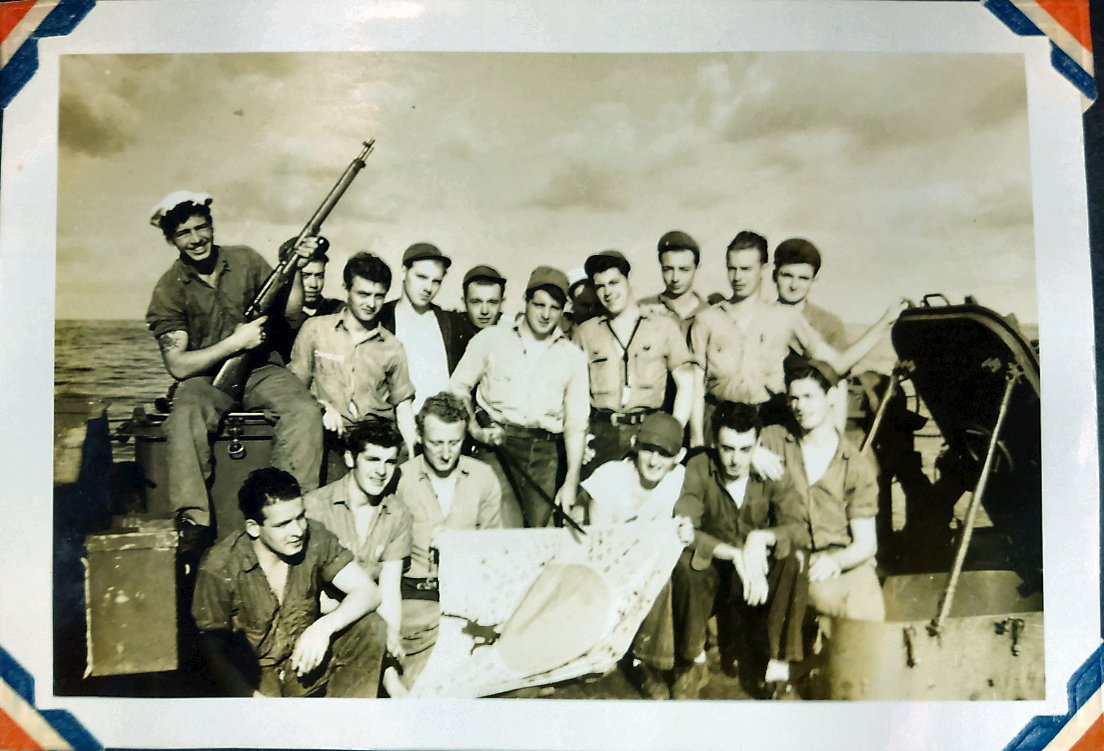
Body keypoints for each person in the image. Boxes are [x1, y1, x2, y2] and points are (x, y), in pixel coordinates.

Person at [145, 191, 323, 538]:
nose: (196, 239)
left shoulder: (245, 260)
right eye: (184, 233)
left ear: (212, 225)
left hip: (261, 369)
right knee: (186, 415)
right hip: (204, 379)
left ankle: (292, 514)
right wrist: (234, 343)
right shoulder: (169, 289)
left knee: (304, 412)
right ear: (171, 240)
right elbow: (178, 365)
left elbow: (291, 313)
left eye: (201, 227)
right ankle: (194, 526)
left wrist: (296, 270)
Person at [689, 230, 903, 439]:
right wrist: (696, 437)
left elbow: (837, 365)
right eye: (732, 268)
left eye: (746, 269)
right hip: (717, 422)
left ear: (763, 269)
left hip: (768, 422)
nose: (737, 277)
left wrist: (884, 322)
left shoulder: (786, 318)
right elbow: (696, 385)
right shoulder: (707, 319)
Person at [191, 468, 386, 697]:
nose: (297, 531)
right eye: (283, 524)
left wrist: (322, 628)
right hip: (256, 675)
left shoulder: (314, 538)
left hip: (302, 660)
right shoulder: (219, 567)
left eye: (300, 517)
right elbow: (211, 648)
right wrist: (248, 697)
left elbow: (368, 591)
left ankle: (348, 715)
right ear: (253, 528)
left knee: (370, 626)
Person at [670, 402, 810, 700]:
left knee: (794, 558)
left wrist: (761, 537)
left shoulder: (771, 471)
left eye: (745, 449)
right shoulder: (700, 467)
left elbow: (797, 527)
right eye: (727, 448)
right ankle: (692, 660)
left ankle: (777, 667)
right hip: (717, 570)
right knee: (686, 563)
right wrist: (734, 555)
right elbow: (686, 529)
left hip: (757, 575)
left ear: (758, 446)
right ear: (713, 443)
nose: (735, 460)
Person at [448, 266, 590, 528]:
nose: (546, 315)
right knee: (500, 529)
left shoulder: (573, 357)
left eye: (555, 308)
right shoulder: (491, 339)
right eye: (539, 305)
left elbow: (576, 424)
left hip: (546, 454)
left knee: (536, 535)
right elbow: (458, 388)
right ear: (525, 301)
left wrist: (571, 480)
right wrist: (475, 430)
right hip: (497, 448)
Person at [572, 412, 692, 699]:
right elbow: (602, 547)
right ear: (635, 445)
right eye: (648, 449)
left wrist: (686, 527)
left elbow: (687, 521)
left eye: (664, 454)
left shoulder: (679, 479)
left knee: (670, 570)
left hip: (644, 564)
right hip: (604, 561)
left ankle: (649, 662)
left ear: (679, 456)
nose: (654, 461)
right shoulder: (611, 476)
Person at [759, 355, 885, 623]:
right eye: (794, 398)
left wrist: (836, 561)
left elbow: (866, 544)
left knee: (870, 616)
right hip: (790, 557)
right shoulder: (773, 440)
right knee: (837, 607)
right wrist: (753, 454)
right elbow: (727, 449)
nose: (800, 407)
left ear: (831, 397)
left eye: (809, 397)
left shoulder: (855, 465)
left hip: (842, 559)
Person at [392, 392, 504, 687]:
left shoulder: (483, 477)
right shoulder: (399, 479)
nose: (445, 453)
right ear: (419, 437)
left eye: (454, 443)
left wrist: (461, 547)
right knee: (423, 682)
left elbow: (495, 551)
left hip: (467, 593)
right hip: (416, 596)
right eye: (436, 443)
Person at [301, 420, 411, 688]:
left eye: (389, 461)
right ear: (350, 459)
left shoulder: (396, 513)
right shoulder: (315, 507)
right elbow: (308, 592)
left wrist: (391, 634)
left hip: (367, 616)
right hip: (316, 619)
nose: (381, 471)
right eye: (372, 459)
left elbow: (389, 589)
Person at [573, 250, 698, 473]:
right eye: (600, 286)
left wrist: (671, 432)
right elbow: (574, 394)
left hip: (648, 433)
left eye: (614, 282)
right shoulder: (585, 332)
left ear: (628, 280)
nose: (608, 292)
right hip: (601, 434)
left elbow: (686, 382)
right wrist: (579, 437)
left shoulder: (663, 326)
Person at [289, 252, 418, 457]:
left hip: (375, 444)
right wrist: (321, 406)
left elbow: (403, 406)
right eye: (363, 294)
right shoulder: (315, 330)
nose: (371, 304)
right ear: (346, 289)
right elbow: (293, 389)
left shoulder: (393, 346)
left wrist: (411, 454)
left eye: (379, 296)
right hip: (326, 439)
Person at [377, 243, 467, 413]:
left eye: (436, 281)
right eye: (421, 277)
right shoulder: (382, 317)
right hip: (394, 422)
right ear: (403, 271)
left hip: (441, 424)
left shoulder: (452, 323)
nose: (428, 288)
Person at [772, 238, 846, 349]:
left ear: (813, 281)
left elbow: (840, 360)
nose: (794, 286)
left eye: (803, 278)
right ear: (774, 276)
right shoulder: (757, 315)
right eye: (787, 276)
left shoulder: (830, 324)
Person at [638, 230, 712, 338]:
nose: (675, 278)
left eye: (684, 269)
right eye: (668, 269)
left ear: (697, 267)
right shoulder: (642, 309)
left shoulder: (711, 312)